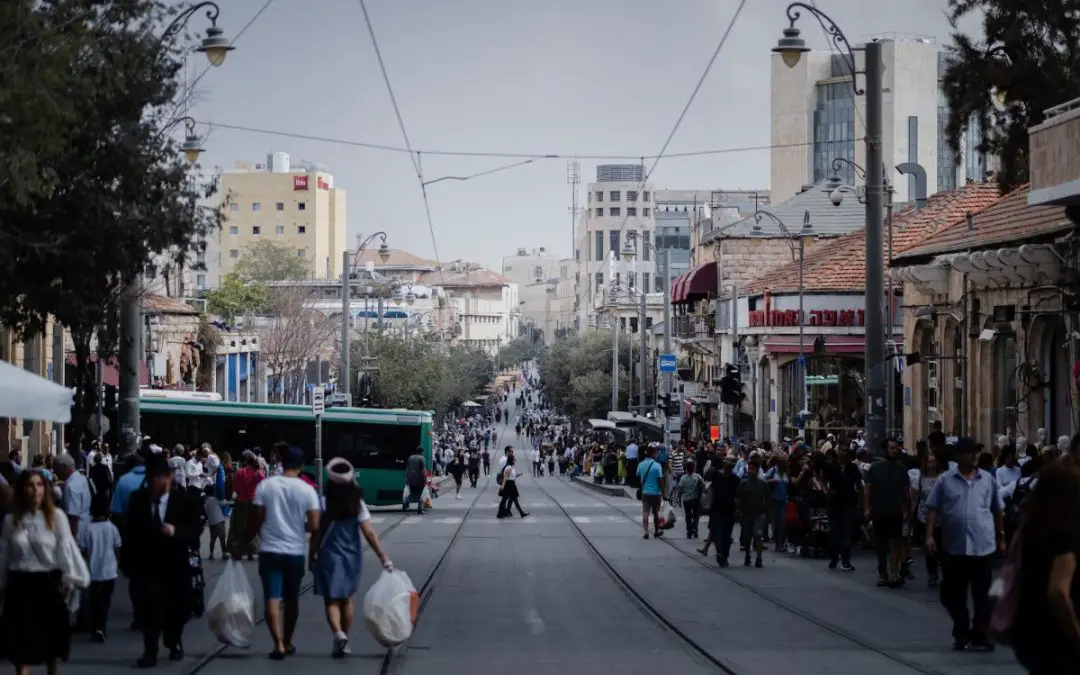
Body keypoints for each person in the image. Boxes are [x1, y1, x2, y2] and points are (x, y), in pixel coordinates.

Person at [0, 470, 90, 674]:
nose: (35, 490)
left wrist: (71, 578)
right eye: (30, 485)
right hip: (20, 586)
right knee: (20, 647)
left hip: (47, 585)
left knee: (50, 646)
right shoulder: (10, 521)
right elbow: (4, 556)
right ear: (22, 489)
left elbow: (66, 550)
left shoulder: (56, 517)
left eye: (39, 485)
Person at [925, 437, 1005, 652]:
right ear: (959, 456)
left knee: (982, 595)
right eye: (970, 452)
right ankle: (961, 630)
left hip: (983, 546)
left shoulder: (988, 479)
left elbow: (997, 509)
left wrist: (1001, 535)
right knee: (953, 594)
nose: (975, 456)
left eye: (977, 452)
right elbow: (932, 507)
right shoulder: (945, 480)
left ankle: (980, 633)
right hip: (955, 547)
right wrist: (929, 535)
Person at [312, 459, 394, 658]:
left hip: (328, 554)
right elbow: (369, 533)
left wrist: (310, 553)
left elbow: (315, 531)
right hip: (351, 555)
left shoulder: (323, 502)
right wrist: (384, 557)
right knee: (347, 598)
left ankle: (338, 634)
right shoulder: (357, 503)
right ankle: (344, 638)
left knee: (331, 599)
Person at [127, 454, 203, 668]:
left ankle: (173, 641)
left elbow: (195, 531)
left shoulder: (184, 501)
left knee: (176, 609)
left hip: (175, 566)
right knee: (149, 609)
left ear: (169, 477)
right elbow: (130, 533)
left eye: (159, 477)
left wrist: (176, 531)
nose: (154, 482)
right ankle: (149, 651)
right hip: (147, 565)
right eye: (151, 478)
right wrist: (129, 563)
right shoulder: (138, 499)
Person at [1010, 461, 1080, 672]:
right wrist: (1076, 633)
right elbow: (1058, 591)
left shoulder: (1030, 526)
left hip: (1030, 628)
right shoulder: (1067, 533)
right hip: (1058, 637)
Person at [253, 446, 321, 660]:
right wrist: (300, 529)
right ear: (301, 466)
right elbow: (314, 525)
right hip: (294, 552)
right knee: (292, 599)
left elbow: (258, 518)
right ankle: (288, 640)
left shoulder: (266, 486)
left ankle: (278, 644)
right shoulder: (307, 490)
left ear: (281, 463)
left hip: (269, 550)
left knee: (272, 598)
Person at [77, 493, 122, 642]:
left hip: (93, 572)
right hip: (109, 571)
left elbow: (83, 549)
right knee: (105, 601)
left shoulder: (87, 529)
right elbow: (117, 547)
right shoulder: (112, 528)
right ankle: (101, 628)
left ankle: (96, 628)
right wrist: (116, 563)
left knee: (94, 602)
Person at [735, 458, 770, 568]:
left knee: (758, 535)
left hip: (759, 514)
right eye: (749, 469)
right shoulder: (743, 483)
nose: (750, 471)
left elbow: (768, 498)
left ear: (757, 470)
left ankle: (759, 558)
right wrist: (738, 509)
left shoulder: (762, 484)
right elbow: (738, 498)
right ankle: (747, 555)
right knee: (747, 537)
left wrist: (768, 513)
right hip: (746, 514)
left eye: (752, 469)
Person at [637, 446, 664, 539]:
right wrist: (663, 492)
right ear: (653, 454)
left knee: (645, 513)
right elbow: (660, 480)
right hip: (656, 493)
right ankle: (656, 531)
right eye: (656, 453)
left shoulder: (640, 464)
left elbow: (638, 475)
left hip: (645, 492)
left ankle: (646, 531)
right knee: (656, 513)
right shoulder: (657, 465)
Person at [497, 455, 528, 519]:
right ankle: (500, 514)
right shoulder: (508, 468)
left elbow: (512, 477)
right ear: (511, 460)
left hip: (510, 484)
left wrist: (519, 474)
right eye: (514, 459)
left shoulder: (511, 467)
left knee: (507, 499)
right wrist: (502, 486)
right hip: (509, 485)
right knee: (507, 500)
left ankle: (500, 514)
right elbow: (505, 477)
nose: (515, 460)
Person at [403, 448, 427, 515]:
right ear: (422, 452)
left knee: (412, 492)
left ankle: (406, 502)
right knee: (419, 494)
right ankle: (420, 509)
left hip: (410, 478)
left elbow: (407, 467)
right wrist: (425, 478)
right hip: (418, 478)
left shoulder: (411, 457)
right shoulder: (422, 458)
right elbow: (423, 469)